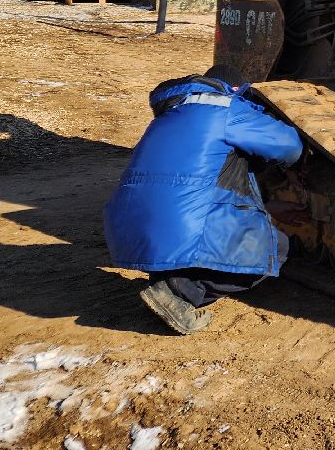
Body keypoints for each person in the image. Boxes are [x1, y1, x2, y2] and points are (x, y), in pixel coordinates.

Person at [103, 65, 303, 334]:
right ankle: (178, 293)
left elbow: (195, 184)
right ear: (235, 90)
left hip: (127, 228)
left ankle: (170, 278)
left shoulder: (169, 114)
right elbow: (290, 146)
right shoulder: (227, 108)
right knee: (274, 248)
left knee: (191, 226)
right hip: (178, 226)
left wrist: (267, 207)